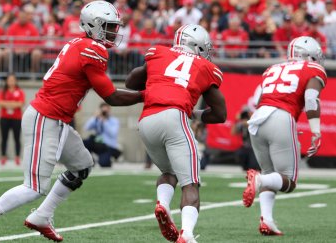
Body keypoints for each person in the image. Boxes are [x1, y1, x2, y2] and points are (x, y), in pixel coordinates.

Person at [0, 0, 143, 243]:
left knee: (82, 166)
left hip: (56, 120)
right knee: (34, 187)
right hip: (46, 117)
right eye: (109, 26)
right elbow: (111, 96)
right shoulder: (93, 49)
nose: (114, 32)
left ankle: (42, 216)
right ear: (93, 25)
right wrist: (148, 95)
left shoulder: (78, 44)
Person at [125, 24, 227, 243]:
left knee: (168, 171)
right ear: (198, 46)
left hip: (147, 119)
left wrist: (157, 78)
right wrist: (196, 114)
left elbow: (131, 81)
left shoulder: (158, 52)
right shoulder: (205, 65)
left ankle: (163, 203)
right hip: (174, 116)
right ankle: (187, 235)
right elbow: (220, 114)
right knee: (190, 184)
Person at [242, 36, 327, 236]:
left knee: (271, 172)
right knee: (288, 181)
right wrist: (315, 130)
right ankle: (259, 180)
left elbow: (256, 100)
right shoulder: (313, 69)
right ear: (310, 55)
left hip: (258, 119)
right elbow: (311, 98)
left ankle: (267, 220)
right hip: (281, 116)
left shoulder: (272, 69)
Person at [0, 73, 25, 166]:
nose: (11, 82)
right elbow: (0, 103)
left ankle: (17, 157)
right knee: (4, 138)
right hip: (4, 118)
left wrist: (8, 103)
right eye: (9, 80)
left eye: (13, 80)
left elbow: (20, 103)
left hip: (16, 118)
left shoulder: (19, 91)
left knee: (17, 138)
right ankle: (3, 156)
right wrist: (13, 103)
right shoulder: (3, 91)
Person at [83, 103, 121, 167]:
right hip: (98, 143)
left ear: (109, 111)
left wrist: (105, 121)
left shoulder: (114, 121)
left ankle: (111, 156)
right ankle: (90, 161)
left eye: (106, 111)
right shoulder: (97, 119)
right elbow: (86, 127)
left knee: (104, 164)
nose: (104, 113)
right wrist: (94, 117)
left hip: (107, 146)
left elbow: (113, 133)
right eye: (103, 111)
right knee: (85, 142)